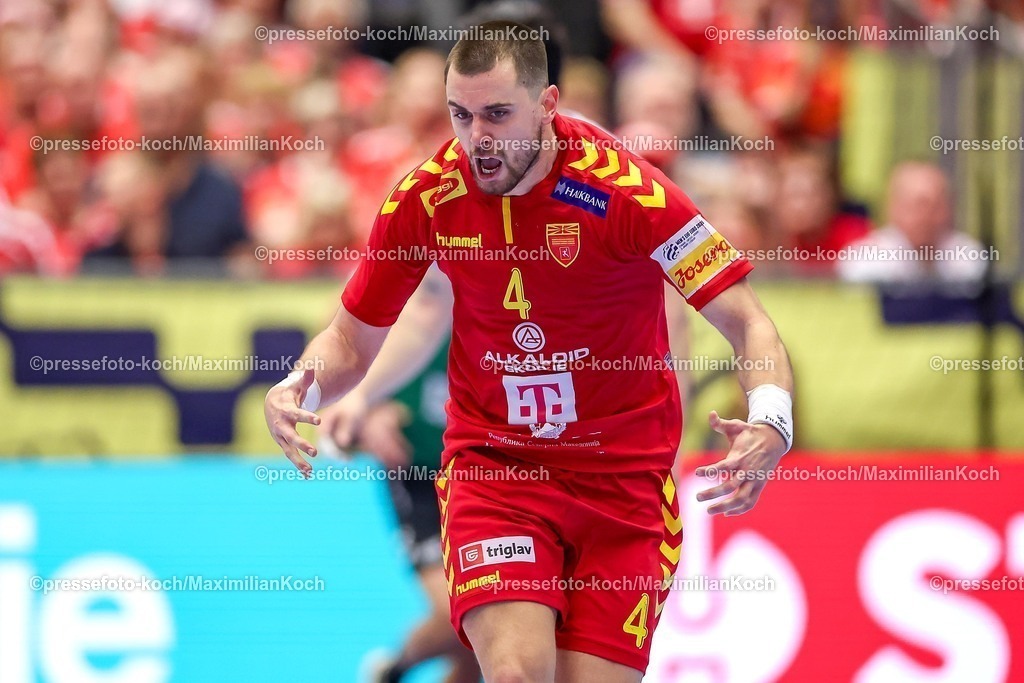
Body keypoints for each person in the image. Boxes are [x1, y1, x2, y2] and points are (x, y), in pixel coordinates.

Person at [265, 21, 794, 683]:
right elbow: (351, 335)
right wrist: (302, 382)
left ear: (547, 104)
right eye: (461, 116)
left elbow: (748, 322)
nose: (477, 139)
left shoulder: (629, 190)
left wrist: (773, 418)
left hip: (623, 487)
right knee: (516, 671)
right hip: (498, 467)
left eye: (497, 115)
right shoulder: (429, 196)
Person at [837, 161, 988, 286]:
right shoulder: (863, 260)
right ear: (892, 207)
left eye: (937, 205)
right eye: (919, 205)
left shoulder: (969, 255)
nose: (927, 216)